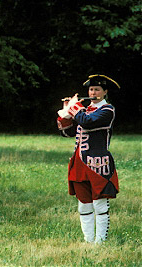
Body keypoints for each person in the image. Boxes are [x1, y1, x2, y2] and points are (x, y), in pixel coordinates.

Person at [57, 74, 120, 244]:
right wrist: (66, 113)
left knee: (99, 204)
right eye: (91, 89)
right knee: (83, 204)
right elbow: (68, 132)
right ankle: (88, 241)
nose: (93, 93)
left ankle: (100, 242)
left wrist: (75, 107)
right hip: (79, 162)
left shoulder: (107, 110)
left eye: (97, 90)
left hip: (98, 163)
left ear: (105, 92)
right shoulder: (84, 110)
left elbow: (87, 122)